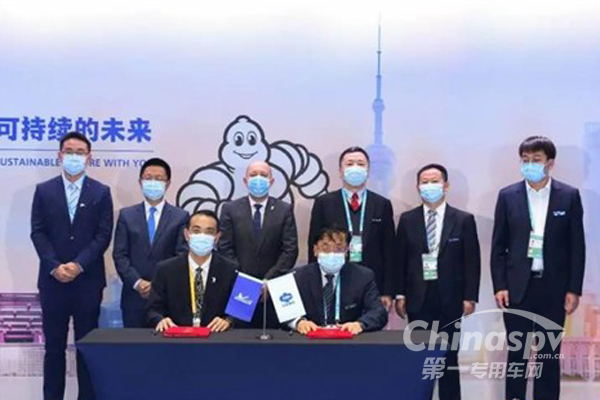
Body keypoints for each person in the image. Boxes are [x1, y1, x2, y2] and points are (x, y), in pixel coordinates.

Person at [491, 136, 585, 400]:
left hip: (554, 288)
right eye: (525, 160)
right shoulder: (508, 196)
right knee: (518, 354)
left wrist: (573, 289)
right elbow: (499, 247)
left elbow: (577, 247)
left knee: (548, 356)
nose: (530, 165)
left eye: (536, 159)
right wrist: (500, 285)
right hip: (518, 287)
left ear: (550, 163)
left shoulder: (568, 196)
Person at [30, 131, 113, 400]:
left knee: (86, 348)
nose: (74, 157)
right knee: (54, 348)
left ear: (89, 157)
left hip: (87, 282)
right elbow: (38, 232)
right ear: (59, 155)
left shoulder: (101, 192)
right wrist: (55, 266)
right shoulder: (44, 191)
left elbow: (103, 235)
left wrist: (78, 265)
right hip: (52, 281)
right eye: (69, 151)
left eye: (80, 152)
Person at [394, 163, 481, 400]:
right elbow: (400, 260)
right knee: (419, 360)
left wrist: (470, 296)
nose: (429, 186)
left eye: (435, 181)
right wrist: (400, 294)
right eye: (424, 182)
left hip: (451, 299)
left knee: (448, 359)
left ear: (446, 185)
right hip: (417, 298)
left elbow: (472, 261)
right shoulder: (408, 220)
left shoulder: (463, 220)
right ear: (417, 187)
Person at [308, 146, 396, 310]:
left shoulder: (382, 204)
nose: (355, 168)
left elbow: (389, 250)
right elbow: (314, 245)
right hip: (334, 278)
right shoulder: (324, 203)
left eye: (360, 164)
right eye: (349, 164)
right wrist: (315, 283)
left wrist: (387, 291)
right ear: (340, 171)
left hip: (373, 283)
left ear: (368, 171)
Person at [219, 161, 298, 328]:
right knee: (239, 335)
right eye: (253, 175)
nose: (258, 179)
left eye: (264, 175)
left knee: (273, 336)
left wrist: (268, 281)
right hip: (239, 286)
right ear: (245, 180)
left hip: (273, 289)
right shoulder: (230, 209)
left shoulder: (284, 209)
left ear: (271, 181)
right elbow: (225, 248)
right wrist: (247, 282)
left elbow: (290, 250)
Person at [113, 158, 189, 327]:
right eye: (148, 178)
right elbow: (120, 255)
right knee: (133, 342)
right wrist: (137, 282)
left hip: (166, 298)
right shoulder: (127, 215)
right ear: (140, 182)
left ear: (168, 184)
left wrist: (157, 285)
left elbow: (181, 256)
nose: (153, 182)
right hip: (133, 297)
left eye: (159, 178)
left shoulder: (180, 216)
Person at [147, 210, 237, 332]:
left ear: (217, 237)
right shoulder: (166, 269)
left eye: (209, 232)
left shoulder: (230, 270)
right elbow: (152, 310)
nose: (202, 236)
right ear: (186, 234)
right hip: (177, 337)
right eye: (196, 231)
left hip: (215, 337)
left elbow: (239, 310)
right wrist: (160, 319)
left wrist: (228, 321)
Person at [293, 226, 388, 335]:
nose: (331, 254)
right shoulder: (298, 277)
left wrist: (360, 324)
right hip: (309, 339)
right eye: (325, 248)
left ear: (346, 251)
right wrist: (298, 322)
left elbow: (378, 312)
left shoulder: (363, 276)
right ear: (315, 250)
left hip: (348, 340)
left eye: (338, 249)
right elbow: (282, 311)